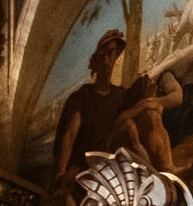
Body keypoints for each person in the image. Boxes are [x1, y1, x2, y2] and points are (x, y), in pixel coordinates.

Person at [51, 30, 181, 186]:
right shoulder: (83, 97)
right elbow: (70, 134)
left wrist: (148, 104)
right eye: (102, 56)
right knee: (129, 126)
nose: (107, 61)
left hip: (114, 142)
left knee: (150, 115)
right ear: (94, 63)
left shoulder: (118, 94)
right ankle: (154, 179)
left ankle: (169, 169)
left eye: (111, 54)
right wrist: (61, 171)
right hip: (94, 155)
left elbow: (125, 115)